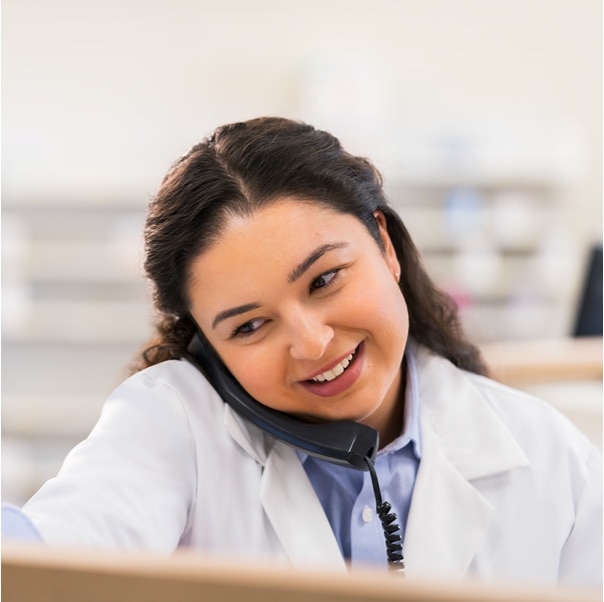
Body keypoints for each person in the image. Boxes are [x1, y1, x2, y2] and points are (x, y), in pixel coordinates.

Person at [4, 117, 601, 587]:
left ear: (385, 246)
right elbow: (53, 553)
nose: (311, 344)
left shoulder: (550, 459)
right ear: (208, 347)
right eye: (250, 327)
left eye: (324, 280)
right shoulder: (174, 428)